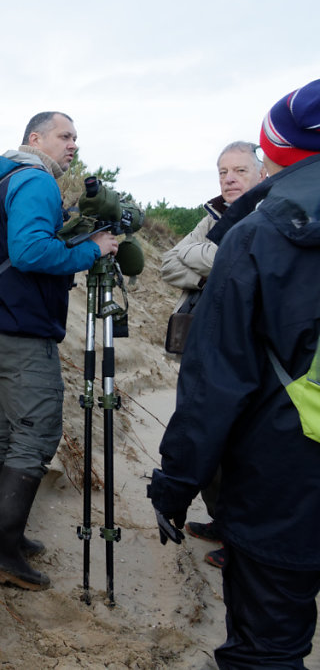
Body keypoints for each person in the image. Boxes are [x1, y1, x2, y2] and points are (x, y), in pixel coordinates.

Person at [148, 79, 320, 668]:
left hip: (285, 481)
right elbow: (172, 263)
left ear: (273, 153)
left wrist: (176, 484)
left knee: (266, 648)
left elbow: (216, 385)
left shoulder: (256, 235)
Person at [0, 112, 118, 590]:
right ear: (35, 138)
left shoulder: (2, 179)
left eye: (76, 138)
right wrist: (93, 250)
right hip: (20, 330)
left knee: (1, 431)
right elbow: (30, 252)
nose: (73, 145)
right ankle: (2, 554)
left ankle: (4, 538)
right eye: (64, 136)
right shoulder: (36, 180)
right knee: (35, 433)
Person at [158, 141, 267, 569]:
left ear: (262, 173)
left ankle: (246, 542)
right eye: (223, 171)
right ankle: (223, 521)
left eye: (239, 170)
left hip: (245, 352)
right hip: (202, 346)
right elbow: (169, 263)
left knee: (245, 448)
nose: (229, 179)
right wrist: (220, 267)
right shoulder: (213, 216)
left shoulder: (270, 214)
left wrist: (206, 259)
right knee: (208, 441)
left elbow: (254, 266)